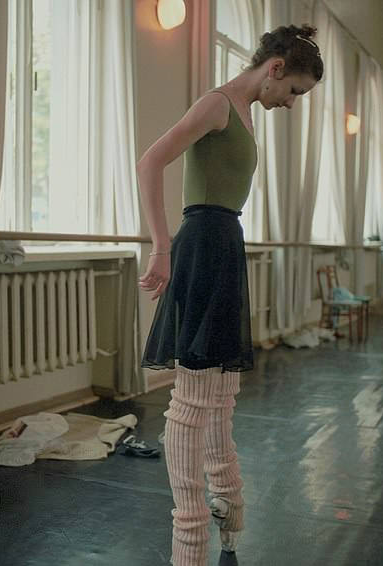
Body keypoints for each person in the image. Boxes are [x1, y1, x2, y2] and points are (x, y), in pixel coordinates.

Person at [137, 23, 324, 566]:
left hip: (224, 245)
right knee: (193, 399)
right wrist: (161, 248)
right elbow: (150, 161)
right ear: (275, 70)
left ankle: (226, 520)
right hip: (200, 245)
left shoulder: (243, 113)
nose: (291, 103)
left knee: (220, 396)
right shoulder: (218, 105)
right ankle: (189, 534)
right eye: (295, 92)